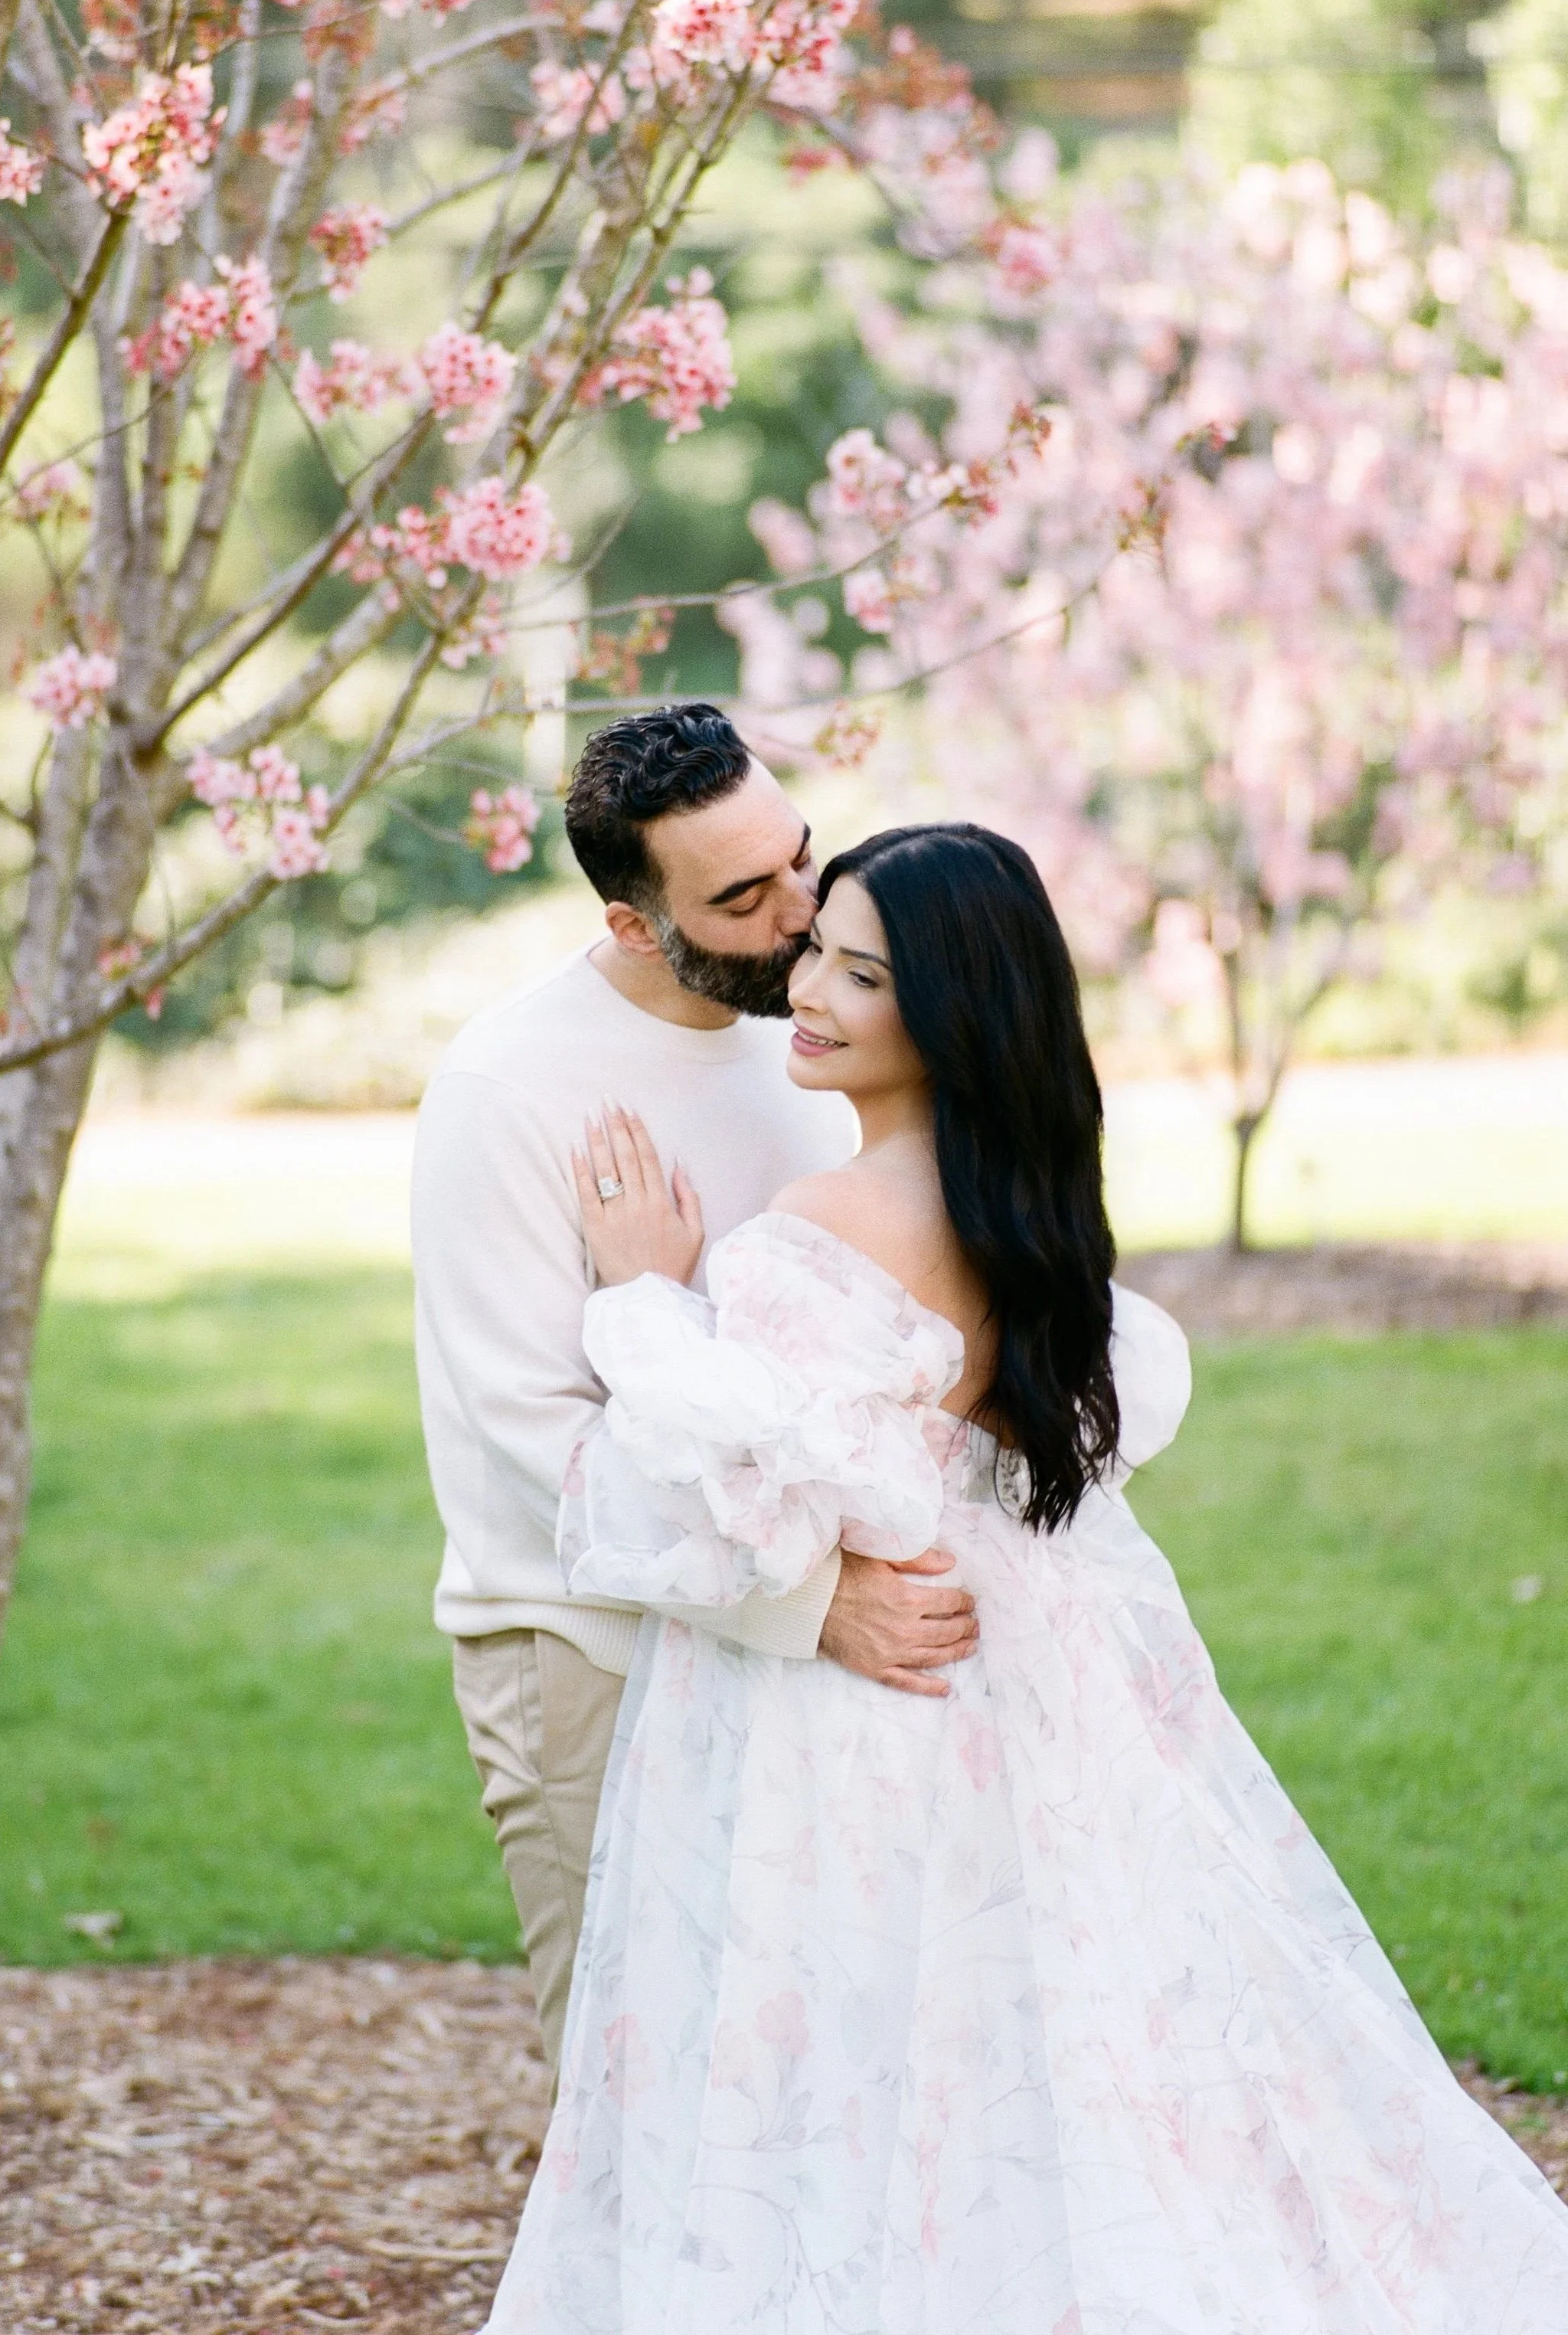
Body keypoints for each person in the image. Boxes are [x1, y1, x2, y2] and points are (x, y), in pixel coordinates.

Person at [485, 822, 1568, 2333]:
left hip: (871, 1699)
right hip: (1033, 1666)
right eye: (816, 951)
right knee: (1049, 2026)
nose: (807, 989)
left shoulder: (811, 1237)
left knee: (854, 2050)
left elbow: (730, 1508)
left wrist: (646, 1296)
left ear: (950, 1016)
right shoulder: (1030, 1217)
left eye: (860, 974)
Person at [411, 709, 980, 2077]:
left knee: (795, 2081)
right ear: (629, 923)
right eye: (741, 897)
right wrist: (814, 1602)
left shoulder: (822, 1034)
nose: (802, 915)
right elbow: (532, 1439)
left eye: (799, 858)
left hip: (801, 1661)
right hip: (590, 1649)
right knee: (636, 2081)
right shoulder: (508, 1089)